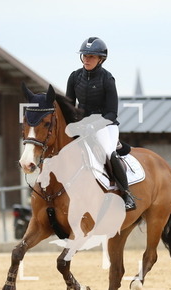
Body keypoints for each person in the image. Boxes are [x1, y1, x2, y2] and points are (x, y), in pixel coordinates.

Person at [65, 36, 136, 211]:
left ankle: (126, 194)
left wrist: (93, 125)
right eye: (84, 56)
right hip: (82, 125)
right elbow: (69, 106)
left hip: (105, 125)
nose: (87, 59)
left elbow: (112, 113)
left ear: (101, 59)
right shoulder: (74, 77)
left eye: (91, 56)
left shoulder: (107, 79)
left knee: (108, 153)